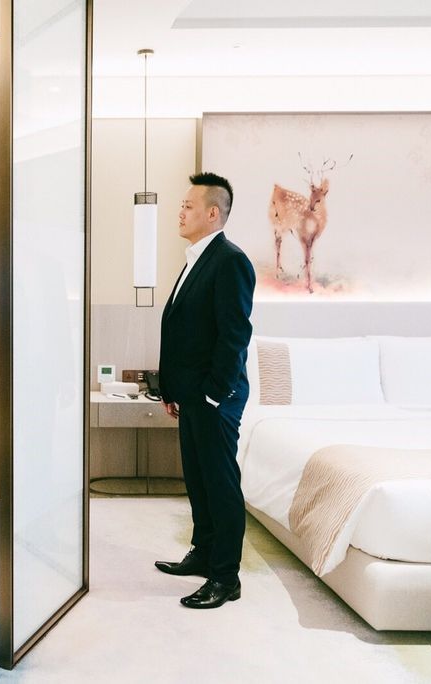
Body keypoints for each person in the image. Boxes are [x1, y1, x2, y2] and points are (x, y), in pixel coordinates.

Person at [154, 173, 255, 610]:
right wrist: (172, 390)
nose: (180, 212)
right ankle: (203, 552)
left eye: (188, 206)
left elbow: (234, 336)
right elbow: (184, 331)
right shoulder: (197, 258)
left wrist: (214, 394)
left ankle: (225, 576)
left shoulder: (230, 261)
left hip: (216, 398)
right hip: (192, 395)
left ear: (213, 213)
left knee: (220, 483)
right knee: (197, 479)